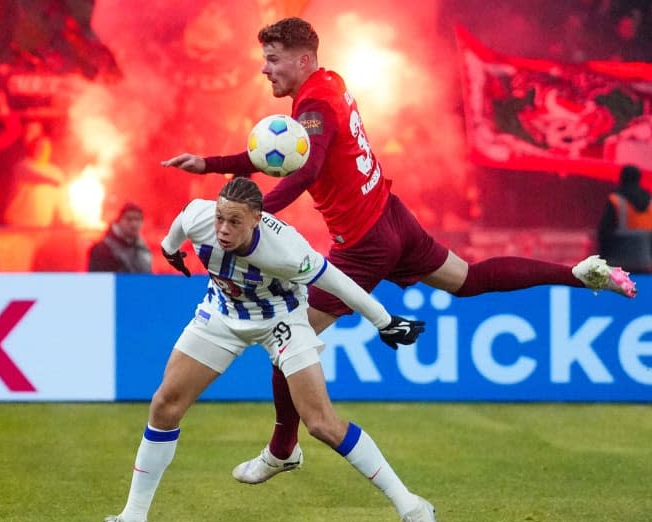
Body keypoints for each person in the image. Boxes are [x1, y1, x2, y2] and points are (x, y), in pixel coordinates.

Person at [161, 17, 638, 486]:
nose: (265, 69)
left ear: (303, 59)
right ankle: (578, 274)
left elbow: (306, 171)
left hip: (365, 242)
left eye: (272, 59)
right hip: (391, 215)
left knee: (288, 337)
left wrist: (254, 216)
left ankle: (282, 450)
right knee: (468, 280)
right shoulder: (329, 84)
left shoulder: (314, 111)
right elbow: (283, 157)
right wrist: (210, 164)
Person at [72, 177, 440, 522]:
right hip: (221, 316)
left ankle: (412, 507)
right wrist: (169, 249)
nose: (223, 229)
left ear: (257, 220)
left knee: (321, 423)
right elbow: (184, 219)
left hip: (281, 321)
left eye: (234, 222)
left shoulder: (287, 250)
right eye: (219, 219)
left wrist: (384, 321)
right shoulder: (203, 218)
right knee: (164, 406)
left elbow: (340, 283)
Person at [597, 164, 652, 272]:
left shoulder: (616, 200)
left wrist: (602, 259)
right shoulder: (650, 202)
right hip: (645, 262)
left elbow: (603, 232)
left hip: (618, 262)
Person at [87, 202, 152, 273]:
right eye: (129, 219)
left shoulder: (143, 249)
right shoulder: (101, 250)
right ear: (119, 221)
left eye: (138, 219)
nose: (134, 224)